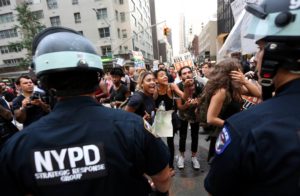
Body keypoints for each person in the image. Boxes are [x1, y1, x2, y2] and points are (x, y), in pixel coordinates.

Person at [0, 27, 173, 195]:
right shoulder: (133, 126)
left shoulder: (17, 147)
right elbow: (163, 177)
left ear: (43, 82)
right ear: (97, 78)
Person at [205, 0, 300, 195]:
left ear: (276, 52)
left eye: (261, 48)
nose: (255, 58)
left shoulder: (244, 128)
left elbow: (217, 188)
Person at [176, 66, 204, 170]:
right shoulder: (177, 86)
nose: (187, 74)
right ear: (180, 76)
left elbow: (203, 100)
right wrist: (187, 105)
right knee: (182, 136)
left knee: (195, 135)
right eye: (184, 73)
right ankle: (181, 156)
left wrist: (198, 102)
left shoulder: (199, 85)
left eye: (189, 72)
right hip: (183, 114)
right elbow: (179, 106)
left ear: (192, 73)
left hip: (195, 115)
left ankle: (194, 157)